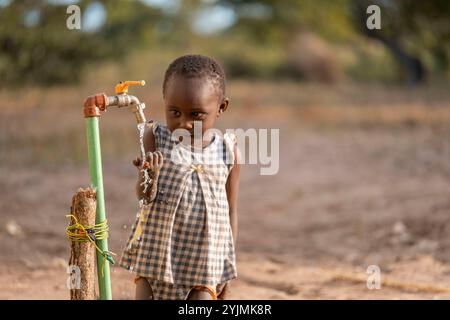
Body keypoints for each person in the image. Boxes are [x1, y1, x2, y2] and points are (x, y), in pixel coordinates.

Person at [119, 54, 240, 300]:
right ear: (164, 102)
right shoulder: (155, 138)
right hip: (157, 255)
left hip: (205, 262)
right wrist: (149, 177)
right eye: (174, 112)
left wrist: (227, 268)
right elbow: (144, 197)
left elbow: (231, 212)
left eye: (196, 114)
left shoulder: (228, 152)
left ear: (221, 107)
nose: (183, 123)